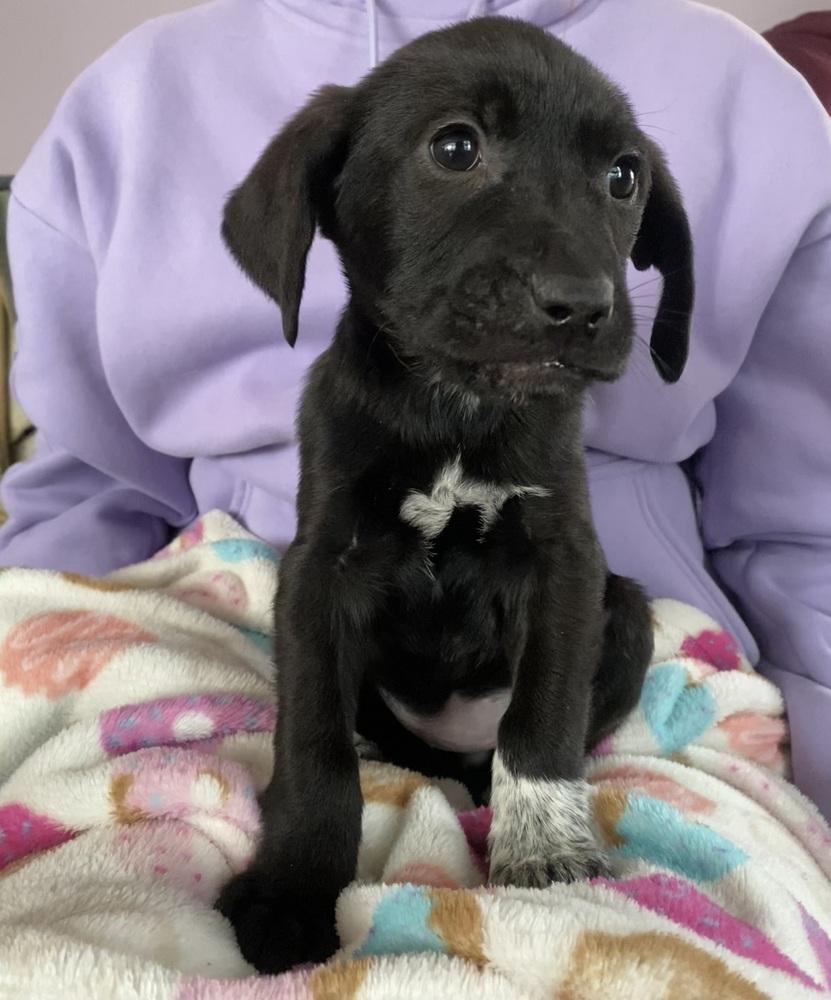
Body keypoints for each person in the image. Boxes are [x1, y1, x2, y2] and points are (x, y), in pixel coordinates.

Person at [2, 0, 830, 820]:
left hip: (628, 704)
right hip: (259, 650)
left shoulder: (750, 92)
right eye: (456, 149)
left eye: (618, 180)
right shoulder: (131, 98)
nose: (580, 285)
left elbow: (809, 524)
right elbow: (87, 494)